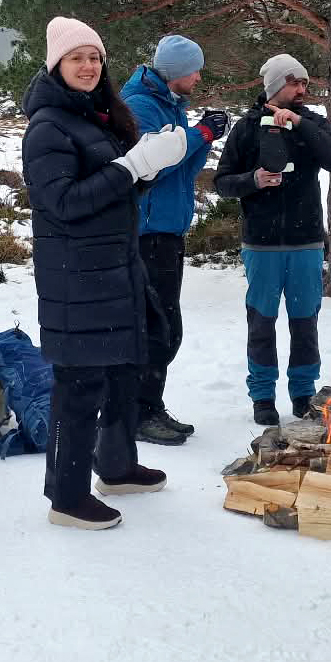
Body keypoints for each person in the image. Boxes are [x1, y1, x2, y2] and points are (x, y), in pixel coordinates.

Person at [23, 16, 189, 530]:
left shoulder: (97, 117)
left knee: (123, 370)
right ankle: (67, 497)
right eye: (77, 58)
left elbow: (113, 191)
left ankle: (115, 468)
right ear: (56, 65)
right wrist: (131, 166)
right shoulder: (48, 127)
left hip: (116, 265)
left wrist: (148, 168)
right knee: (78, 385)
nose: (89, 66)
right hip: (76, 276)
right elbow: (64, 203)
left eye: (94, 57)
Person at [213, 54, 331, 426]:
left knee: (305, 322)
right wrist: (253, 180)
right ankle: (262, 396)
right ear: (273, 86)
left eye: (304, 83)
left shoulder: (312, 123)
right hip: (261, 243)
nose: (301, 89)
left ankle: (303, 394)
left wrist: (300, 124)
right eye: (293, 83)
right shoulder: (247, 128)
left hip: (306, 241)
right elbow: (222, 182)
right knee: (261, 321)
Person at [120, 34, 230, 445]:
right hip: (147, 234)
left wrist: (206, 137)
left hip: (168, 231)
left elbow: (183, 167)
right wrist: (198, 134)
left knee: (166, 327)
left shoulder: (170, 105)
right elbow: (150, 168)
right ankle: (138, 412)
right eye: (194, 70)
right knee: (155, 327)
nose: (199, 77)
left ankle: (149, 405)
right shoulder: (140, 106)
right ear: (176, 71)